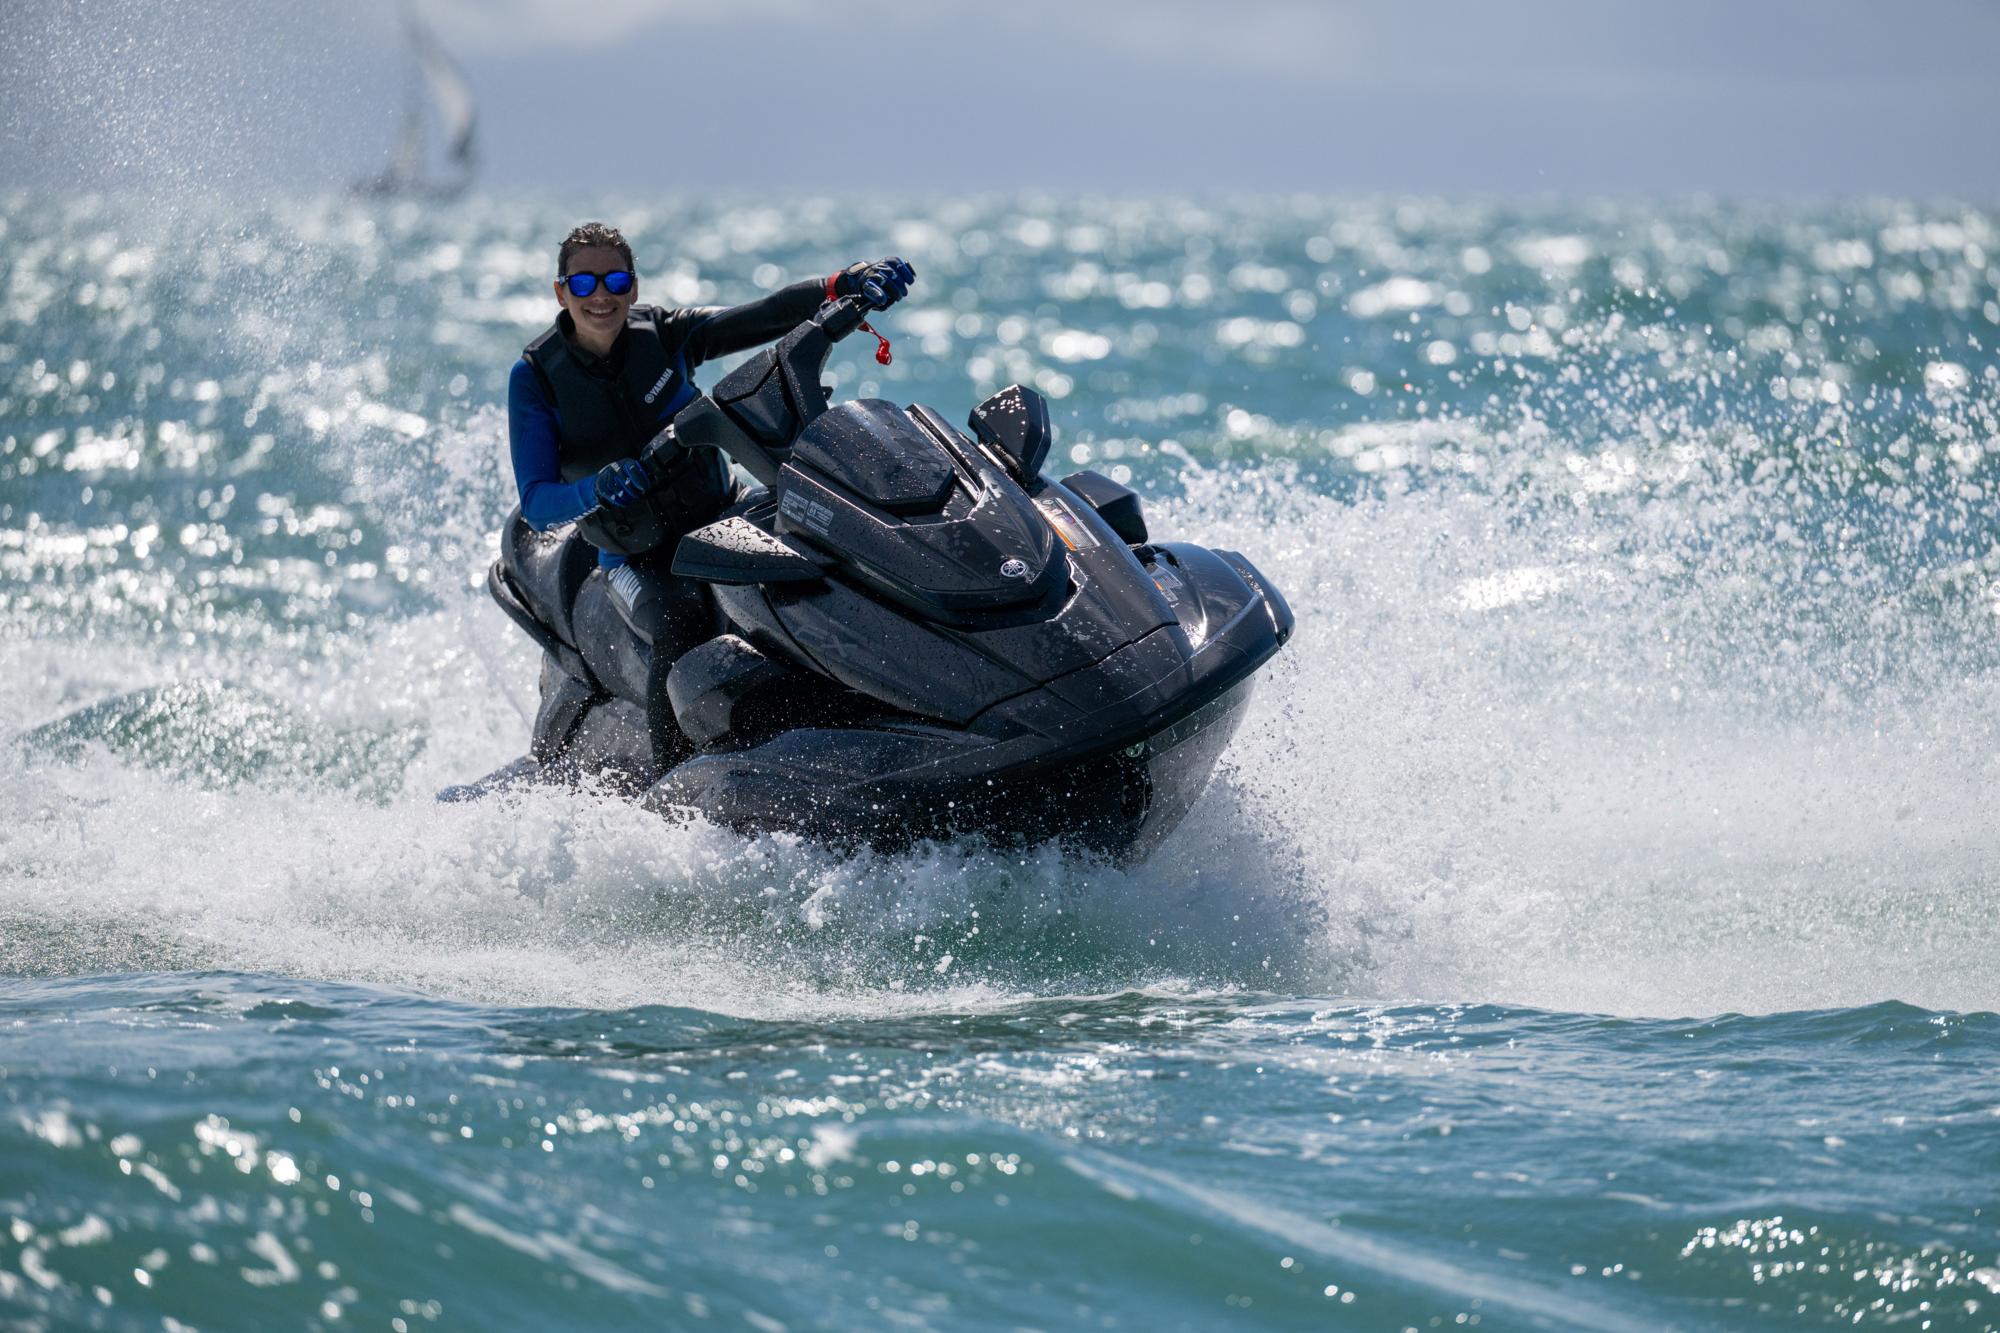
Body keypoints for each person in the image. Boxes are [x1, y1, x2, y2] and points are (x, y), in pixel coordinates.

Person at [507, 221, 913, 653]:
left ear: (634, 288)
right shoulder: (536, 377)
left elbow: (762, 314)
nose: (601, 296)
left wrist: (842, 284)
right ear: (561, 292)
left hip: (721, 512)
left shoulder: (663, 335)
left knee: (830, 547)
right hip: (636, 557)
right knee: (680, 627)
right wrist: (599, 488)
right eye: (584, 283)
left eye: (617, 280)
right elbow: (536, 505)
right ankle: (665, 725)